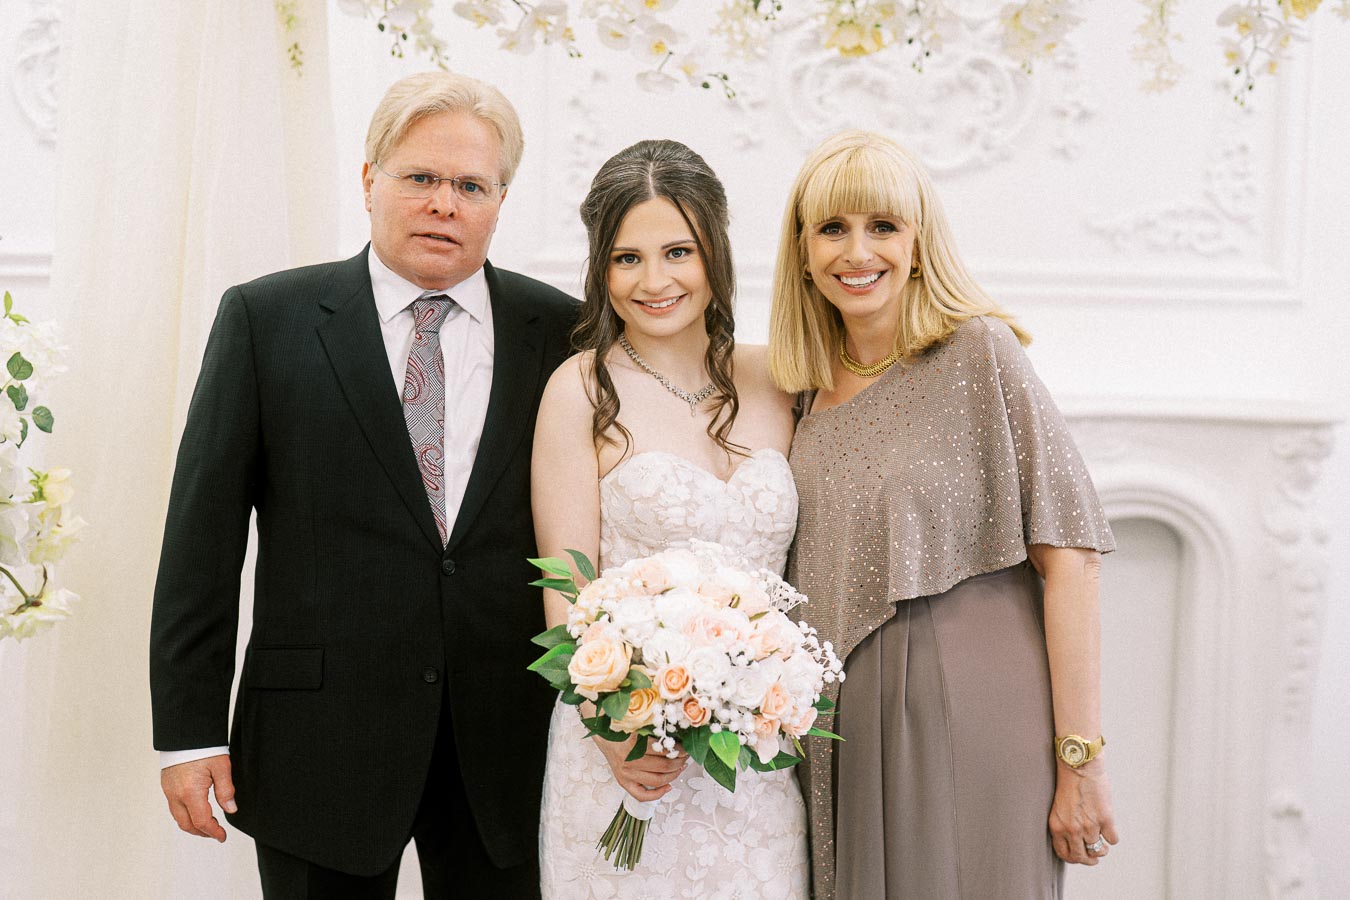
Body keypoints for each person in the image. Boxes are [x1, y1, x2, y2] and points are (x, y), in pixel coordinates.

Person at [150, 71, 576, 898]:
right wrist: (187, 733)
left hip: (511, 747)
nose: (443, 204)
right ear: (369, 179)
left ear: (500, 199)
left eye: (470, 185)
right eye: (420, 177)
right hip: (318, 745)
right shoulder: (265, 320)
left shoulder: (563, 332)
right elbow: (200, 540)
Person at [768, 130, 1120, 899]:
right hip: (839, 724)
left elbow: (1072, 559)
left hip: (974, 701)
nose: (857, 252)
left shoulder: (979, 353)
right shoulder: (799, 389)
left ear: (920, 242)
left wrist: (1081, 760)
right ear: (802, 251)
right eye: (833, 228)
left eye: (883, 227)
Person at [531, 139, 809, 898]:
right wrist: (612, 728)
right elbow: (565, 583)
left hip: (754, 757)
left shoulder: (781, 377)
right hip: (623, 750)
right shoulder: (580, 390)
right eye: (626, 258)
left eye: (677, 251)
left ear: (715, 251)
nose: (653, 281)